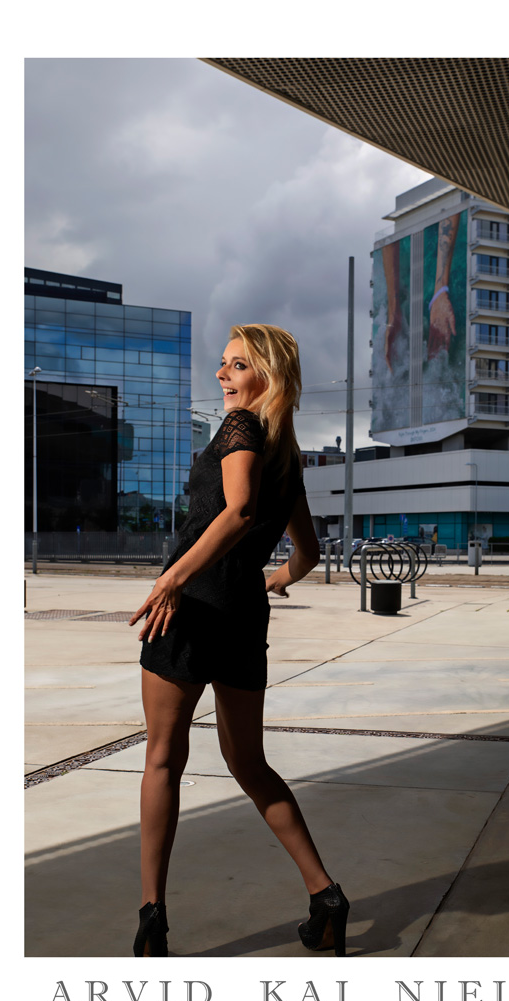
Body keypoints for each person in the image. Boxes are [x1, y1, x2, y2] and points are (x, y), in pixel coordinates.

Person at [129, 324, 349, 957]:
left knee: (163, 760)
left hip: (191, 607)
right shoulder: (286, 454)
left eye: (238, 365)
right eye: (223, 364)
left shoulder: (240, 428)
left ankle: (152, 918)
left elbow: (239, 509)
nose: (222, 375)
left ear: (267, 376)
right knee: (249, 764)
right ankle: (325, 895)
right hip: (244, 616)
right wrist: (270, 581)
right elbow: (307, 553)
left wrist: (172, 578)